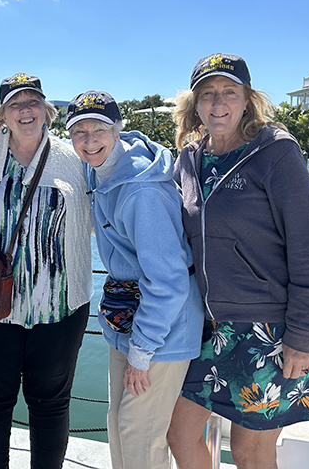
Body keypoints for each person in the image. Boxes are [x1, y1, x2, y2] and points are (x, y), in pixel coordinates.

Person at [166, 54, 309, 469]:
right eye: (207, 94)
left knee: (250, 453)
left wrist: (302, 335)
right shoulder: (188, 159)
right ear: (194, 104)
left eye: (229, 92)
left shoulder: (275, 152)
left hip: (269, 331)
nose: (217, 102)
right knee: (179, 434)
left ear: (247, 99)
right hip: (204, 327)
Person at [65, 90, 204, 469]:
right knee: (119, 424)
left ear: (117, 130)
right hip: (126, 314)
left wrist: (142, 352)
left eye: (99, 129)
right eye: (79, 131)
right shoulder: (99, 167)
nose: (90, 140)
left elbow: (169, 281)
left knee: (139, 433)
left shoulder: (142, 191)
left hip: (162, 326)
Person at [0, 73, 92, 469]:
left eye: (32, 100)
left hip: (60, 307)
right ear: (2, 113)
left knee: (50, 404)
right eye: (15, 103)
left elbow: (119, 160)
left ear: (47, 109)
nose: (25, 109)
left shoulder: (74, 159)